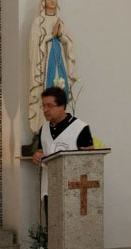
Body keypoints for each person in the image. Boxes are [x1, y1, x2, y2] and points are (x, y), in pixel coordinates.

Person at [31, 86, 93, 225]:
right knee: (52, 228)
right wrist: (37, 155)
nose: (45, 110)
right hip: (49, 189)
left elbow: (89, 161)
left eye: (49, 106)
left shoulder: (80, 128)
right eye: (43, 106)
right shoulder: (44, 128)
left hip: (73, 190)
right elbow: (41, 150)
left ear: (62, 106)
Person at [28, 0, 77, 134]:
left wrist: (60, 35)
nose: (52, 1)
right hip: (45, 65)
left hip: (59, 62)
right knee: (45, 91)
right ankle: (42, 128)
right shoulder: (39, 21)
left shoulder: (59, 20)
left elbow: (68, 42)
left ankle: (61, 124)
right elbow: (33, 44)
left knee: (61, 91)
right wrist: (51, 35)